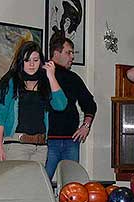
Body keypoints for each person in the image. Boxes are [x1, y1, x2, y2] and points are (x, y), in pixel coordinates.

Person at [0, 41, 67, 165]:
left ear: (41, 62)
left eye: (36, 60)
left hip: (41, 146)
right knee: (18, 184)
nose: (31, 64)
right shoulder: (11, 82)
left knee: (35, 184)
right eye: (27, 60)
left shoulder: (45, 82)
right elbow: (0, 116)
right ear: (21, 62)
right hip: (16, 144)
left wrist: (51, 76)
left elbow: (61, 105)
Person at [45, 34, 97, 180]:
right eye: (68, 52)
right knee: (42, 180)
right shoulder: (43, 75)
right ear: (56, 53)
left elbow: (90, 103)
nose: (72, 56)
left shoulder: (73, 78)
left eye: (73, 53)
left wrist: (86, 126)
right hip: (48, 141)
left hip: (71, 140)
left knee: (72, 184)